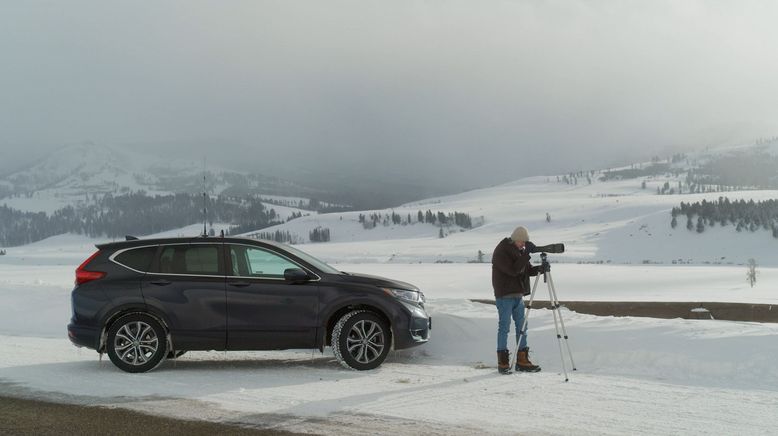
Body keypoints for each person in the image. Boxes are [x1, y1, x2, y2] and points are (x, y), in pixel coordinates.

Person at [492, 226, 544, 374]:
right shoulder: (501, 251)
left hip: (517, 296)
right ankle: (503, 363)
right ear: (516, 239)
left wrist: (540, 268)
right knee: (504, 328)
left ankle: (522, 361)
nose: (524, 245)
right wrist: (527, 253)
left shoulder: (518, 251)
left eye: (525, 243)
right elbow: (513, 270)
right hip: (504, 296)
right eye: (522, 242)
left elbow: (526, 270)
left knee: (522, 327)